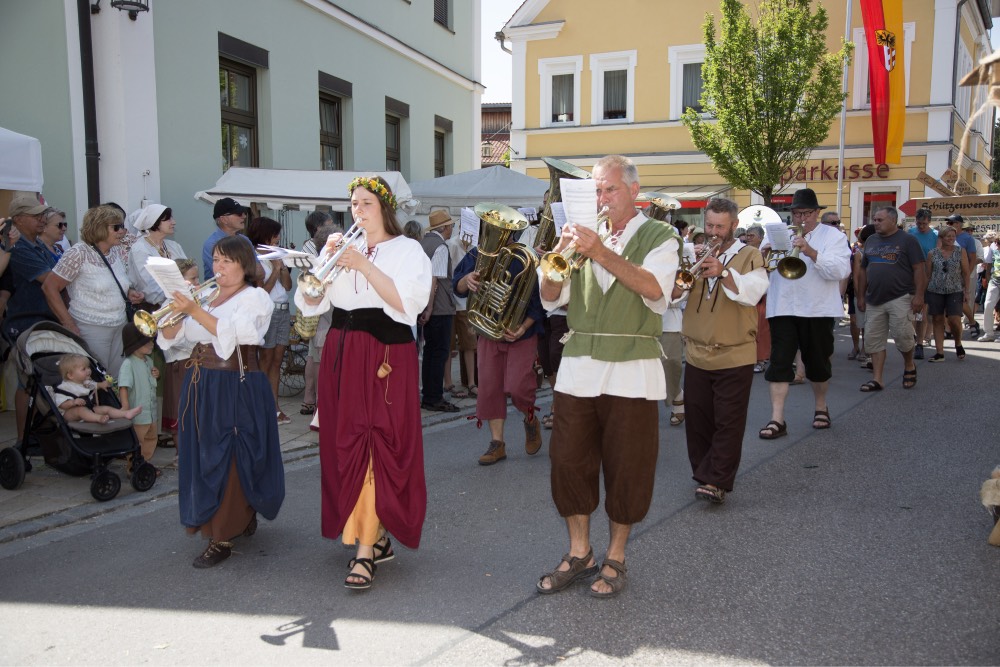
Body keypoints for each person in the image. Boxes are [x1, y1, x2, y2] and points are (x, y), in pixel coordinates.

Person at [536, 155, 680, 599]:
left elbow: (655, 289)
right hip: (579, 365)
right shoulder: (580, 237)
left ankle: (616, 554)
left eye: (610, 189)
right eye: (596, 191)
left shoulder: (661, 236)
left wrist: (599, 251)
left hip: (633, 368)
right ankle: (580, 551)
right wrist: (558, 257)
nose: (602, 198)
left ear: (634, 191)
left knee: (628, 465)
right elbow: (550, 297)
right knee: (568, 462)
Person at [294, 175, 431, 590]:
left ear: (384, 207)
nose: (358, 210)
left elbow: (408, 304)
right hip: (342, 349)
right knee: (344, 443)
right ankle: (374, 534)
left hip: (386, 353)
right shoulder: (339, 247)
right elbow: (310, 302)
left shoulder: (408, 250)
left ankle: (366, 549)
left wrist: (364, 265)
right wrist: (323, 269)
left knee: (376, 444)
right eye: (353, 203)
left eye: (366, 202)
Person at [158, 235, 285, 569]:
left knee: (230, 455)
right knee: (202, 454)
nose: (219, 266)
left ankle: (224, 534)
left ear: (244, 265)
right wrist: (175, 310)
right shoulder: (206, 296)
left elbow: (237, 336)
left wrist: (194, 310)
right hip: (200, 382)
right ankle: (236, 515)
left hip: (236, 382)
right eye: (215, 259)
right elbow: (171, 337)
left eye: (227, 261)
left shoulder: (255, 297)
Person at [674, 198, 768, 504]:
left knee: (729, 421)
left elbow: (752, 293)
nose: (713, 232)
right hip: (697, 353)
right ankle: (705, 474)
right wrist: (685, 271)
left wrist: (723, 272)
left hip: (734, 353)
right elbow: (673, 298)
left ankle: (717, 481)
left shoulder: (750, 255)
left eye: (720, 227)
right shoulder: (695, 255)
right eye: (710, 225)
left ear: (734, 226)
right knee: (698, 422)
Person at [758, 188, 851, 439]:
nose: (801, 219)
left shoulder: (833, 236)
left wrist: (810, 251)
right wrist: (763, 256)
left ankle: (821, 407)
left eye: (806, 213)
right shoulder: (779, 234)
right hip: (782, 307)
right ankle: (777, 419)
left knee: (817, 363)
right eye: (797, 213)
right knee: (779, 363)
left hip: (817, 309)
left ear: (816, 213)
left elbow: (841, 270)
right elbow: (762, 272)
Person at [453, 225, 545, 465]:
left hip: (521, 332)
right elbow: (457, 286)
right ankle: (497, 443)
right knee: (489, 388)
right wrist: (466, 280)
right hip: (488, 331)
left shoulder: (524, 257)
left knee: (518, 387)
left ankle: (530, 418)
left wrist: (522, 328)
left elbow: (537, 302)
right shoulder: (477, 254)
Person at [42, 205, 144, 378]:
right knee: (95, 378)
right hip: (90, 327)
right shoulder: (78, 253)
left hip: (119, 324)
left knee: (117, 377)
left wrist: (129, 292)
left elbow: (113, 281)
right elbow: (49, 287)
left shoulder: (115, 251)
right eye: (116, 227)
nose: (122, 231)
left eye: (122, 226)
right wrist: (68, 323)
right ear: (100, 228)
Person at [4, 192, 59, 447]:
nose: (42, 219)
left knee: (38, 380)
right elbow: (50, 279)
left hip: (42, 320)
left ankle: (36, 433)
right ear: (18, 219)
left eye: (42, 215)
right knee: (27, 382)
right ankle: (23, 439)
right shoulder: (19, 248)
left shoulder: (37, 244)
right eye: (35, 216)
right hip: (25, 322)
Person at [856, 206, 926, 391]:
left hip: (901, 296)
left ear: (893, 221)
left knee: (903, 336)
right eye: (874, 220)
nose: (875, 223)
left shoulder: (908, 240)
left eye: (880, 220)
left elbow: (919, 268)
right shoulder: (871, 240)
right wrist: (860, 296)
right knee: (873, 339)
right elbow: (863, 270)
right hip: (874, 299)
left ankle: (909, 364)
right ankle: (877, 379)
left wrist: (919, 296)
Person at [248, 217, 293, 425]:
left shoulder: (276, 255)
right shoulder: (255, 258)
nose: (277, 238)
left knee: (277, 361)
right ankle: (260, 407)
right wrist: (275, 269)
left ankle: (274, 407)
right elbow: (262, 292)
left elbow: (287, 286)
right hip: (267, 312)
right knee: (265, 361)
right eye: (274, 235)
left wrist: (283, 268)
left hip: (283, 310)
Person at [419, 210, 459, 413]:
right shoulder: (440, 247)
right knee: (439, 353)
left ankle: (428, 394)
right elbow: (435, 279)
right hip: (439, 307)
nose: (451, 228)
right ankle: (434, 397)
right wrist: (430, 307)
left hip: (426, 305)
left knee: (430, 352)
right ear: (444, 227)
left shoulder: (422, 243)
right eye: (450, 225)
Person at [159, 258, 199, 455]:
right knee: (179, 413)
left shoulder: (196, 300)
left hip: (196, 363)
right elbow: (173, 340)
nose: (198, 283)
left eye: (198, 278)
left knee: (197, 413)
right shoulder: (168, 306)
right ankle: (182, 455)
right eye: (193, 278)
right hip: (180, 364)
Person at [48, 353, 141, 424]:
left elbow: (96, 385)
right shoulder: (65, 387)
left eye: (88, 367)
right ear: (70, 375)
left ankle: (125, 413)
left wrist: (103, 384)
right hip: (70, 413)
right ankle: (98, 418)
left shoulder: (85, 382)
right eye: (83, 369)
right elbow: (61, 404)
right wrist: (73, 402)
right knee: (81, 410)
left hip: (88, 409)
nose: (89, 370)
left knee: (105, 409)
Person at [127, 205, 187, 310]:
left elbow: (188, 272)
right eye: (168, 219)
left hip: (180, 302)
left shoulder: (174, 246)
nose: (174, 222)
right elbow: (149, 286)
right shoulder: (140, 249)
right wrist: (177, 299)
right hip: (156, 308)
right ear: (154, 222)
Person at [118, 322, 160, 470]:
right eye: (146, 342)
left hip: (150, 412)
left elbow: (150, 381)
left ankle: (144, 464)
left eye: (152, 340)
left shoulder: (149, 361)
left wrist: (156, 374)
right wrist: (125, 407)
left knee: (151, 438)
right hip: (138, 413)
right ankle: (133, 467)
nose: (151, 344)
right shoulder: (128, 364)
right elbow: (124, 386)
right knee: (137, 441)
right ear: (134, 344)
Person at [924, 224, 970, 361]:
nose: (951, 239)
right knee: (937, 319)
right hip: (935, 290)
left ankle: (958, 342)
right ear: (941, 238)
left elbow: (966, 273)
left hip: (954, 289)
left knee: (954, 319)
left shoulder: (960, 251)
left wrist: (967, 291)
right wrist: (922, 294)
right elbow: (927, 275)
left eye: (953, 236)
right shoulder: (932, 253)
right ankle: (940, 353)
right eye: (948, 236)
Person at [444, 226, 477, 400]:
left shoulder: (475, 247)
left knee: (469, 343)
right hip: (451, 301)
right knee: (449, 345)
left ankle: (471, 382)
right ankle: (448, 382)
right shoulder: (451, 244)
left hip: (465, 302)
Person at [906, 208, 937, 358]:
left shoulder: (935, 235)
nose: (921, 226)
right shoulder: (910, 233)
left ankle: (920, 343)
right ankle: (911, 340)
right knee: (911, 310)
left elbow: (937, 257)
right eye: (919, 223)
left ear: (929, 222)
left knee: (922, 312)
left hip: (927, 275)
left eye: (924, 223)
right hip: (910, 274)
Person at [944, 214, 980, 337]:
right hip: (946, 275)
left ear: (959, 224)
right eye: (948, 223)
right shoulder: (945, 237)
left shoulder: (967, 239)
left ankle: (972, 322)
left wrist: (966, 276)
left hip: (961, 276)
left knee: (960, 302)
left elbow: (972, 258)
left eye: (951, 223)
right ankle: (948, 329)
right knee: (945, 302)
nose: (948, 225)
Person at [744, 224, 770, 372]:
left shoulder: (765, 251)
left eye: (751, 236)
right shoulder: (744, 251)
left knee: (761, 329)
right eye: (747, 235)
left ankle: (760, 359)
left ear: (760, 238)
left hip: (761, 295)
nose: (748, 238)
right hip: (746, 294)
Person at [202, 197, 248, 281]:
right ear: (224, 219)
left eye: (244, 213)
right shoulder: (212, 244)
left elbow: (259, 272)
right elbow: (224, 275)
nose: (244, 216)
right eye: (239, 214)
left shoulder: (245, 240)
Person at [977, 230, 1000, 342]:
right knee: (988, 305)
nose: (998, 246)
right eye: (997, 243)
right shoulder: (993, 246)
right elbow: (989, 263)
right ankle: (989, 333)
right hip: (995, 280)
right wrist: (987, 277)